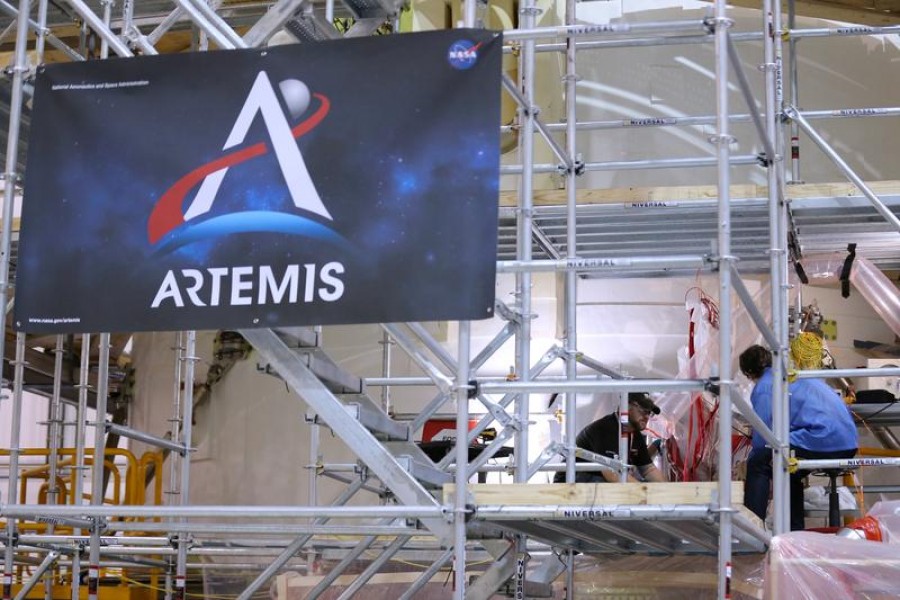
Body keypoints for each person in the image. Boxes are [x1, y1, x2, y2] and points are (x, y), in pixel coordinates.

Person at [740, 340, 858, 530]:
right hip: (848, 442)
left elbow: (764, 437)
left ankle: (752, 530)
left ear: (749, 373)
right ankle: (793, 531)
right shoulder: (793, 376)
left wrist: (754, 449)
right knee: (789, 469)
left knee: (759, 461)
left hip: (823, 438)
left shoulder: (764, 386)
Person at [554, 392, 666, 483]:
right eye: (643, 411)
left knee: (636, 485)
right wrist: (644, 492)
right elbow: (612, 474)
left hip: (595, 480)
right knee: (607, 483)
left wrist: (667, 490)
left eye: (649, 413)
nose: (646, 417)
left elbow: (648, 469)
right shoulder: (604, 429)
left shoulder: (635, 435)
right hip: (570, 482)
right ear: (627, 407)